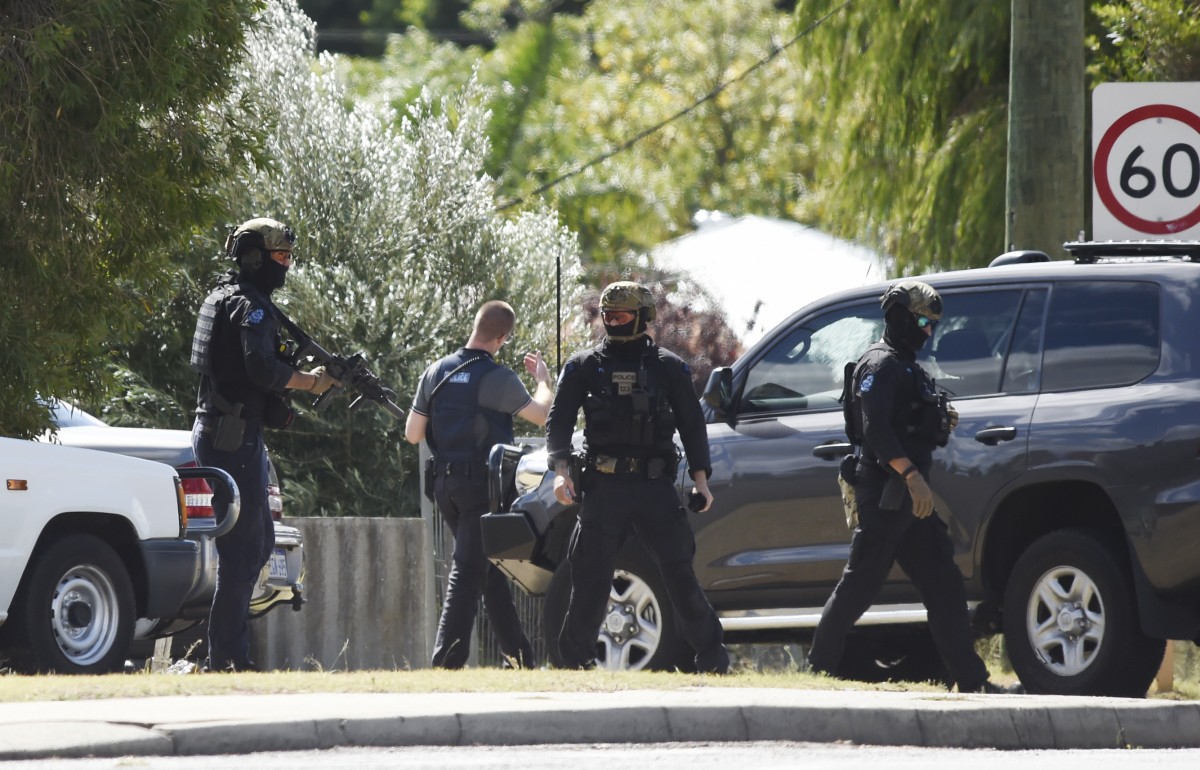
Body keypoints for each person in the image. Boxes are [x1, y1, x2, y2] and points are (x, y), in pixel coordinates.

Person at [807, 280, 1020, 694]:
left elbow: (909, 421)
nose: (927, 331)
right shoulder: (880, 365)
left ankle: (972, 680)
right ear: (899, 317)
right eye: (922, 321)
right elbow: (876, 431)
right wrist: (911, 475)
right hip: (887, 495)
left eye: (932, 324)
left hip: (911, 501)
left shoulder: (907, 366)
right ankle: (816, 672)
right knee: (859, 587)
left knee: (944, 584)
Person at [546, 281, 729, 673]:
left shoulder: (668, 368)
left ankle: (713, 657)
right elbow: (557, 426)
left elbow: (692, 426)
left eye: (622, 316)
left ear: (643, 318)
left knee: (679, 574)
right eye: (608, 315)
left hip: (654, 488)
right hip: (603, 486)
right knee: (590, 581)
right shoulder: (582, 367)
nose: (613, 322)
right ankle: (571, 665)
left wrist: (701, 480)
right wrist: (560, 475)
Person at [190, 217, 340, 672]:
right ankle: (227, 660)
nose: (286, 265)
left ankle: (228, 654)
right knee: (243, 550)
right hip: (229, 437)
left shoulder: (230, 299)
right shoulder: (248, 307)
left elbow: (247, 371)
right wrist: (308, 383)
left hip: (236, 434)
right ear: (254, 257)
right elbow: (259, 369)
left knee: (258, 545)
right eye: (280, 256)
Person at [405, 300, 552, 669]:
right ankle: (445, 665)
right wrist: (544, 382)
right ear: (502, 338)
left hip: (443, 487)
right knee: (468, 573)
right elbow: (541, 415)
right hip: (480, 489)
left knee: (488, 571)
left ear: (475, 326)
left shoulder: (435, 371)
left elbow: (412, 434)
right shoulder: (497, 377)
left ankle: (520, 659)